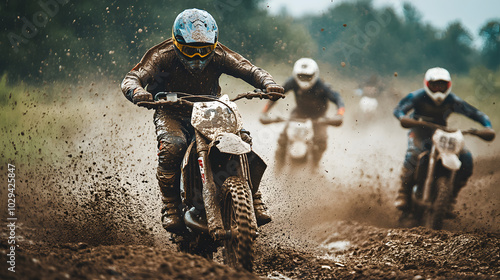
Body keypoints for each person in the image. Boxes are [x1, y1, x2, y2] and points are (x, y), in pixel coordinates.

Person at [120, 8, 284, 232]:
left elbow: (250, 69)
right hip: (170, 111)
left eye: (204, 50)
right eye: (189, 50)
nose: (197, 57)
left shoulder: (219, 54)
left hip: (210, 108)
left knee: (243, 139)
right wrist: (137, 92)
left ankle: (253, 196)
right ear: (177, 44)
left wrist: (268, 83)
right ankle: (170, 205)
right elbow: (133, 77)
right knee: (173, 147)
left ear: (214, 45)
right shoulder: (162, 54)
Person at [393, 67, 494, 215]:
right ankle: (404, 194)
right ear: (427, 84)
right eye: (435, 85)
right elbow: (399, 109)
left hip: (441, 133)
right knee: (413, 154)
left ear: (448, 85)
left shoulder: (452, 100)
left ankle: (450, 198)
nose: (438, 89)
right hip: (419, 132)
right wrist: (404, 118)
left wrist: (487, 127)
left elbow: (477, 114)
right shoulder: (417, 97)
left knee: (466, 159)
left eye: (442, 85)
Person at [259, 58, 345, 168]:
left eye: (308, 76)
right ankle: (278, 168)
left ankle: (315, 165)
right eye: (301, 76)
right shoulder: (292, 82)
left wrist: (339, 114)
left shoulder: (322, 86)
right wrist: (264, 111)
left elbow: (338, 99)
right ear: (295, 74)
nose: (304, 79)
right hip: (299, 114)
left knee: (321, 140)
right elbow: (276, 95)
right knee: (283, 139)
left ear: (315, 75)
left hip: (319, 117)